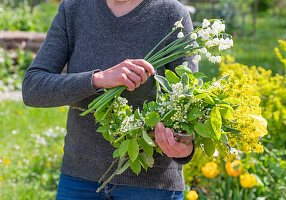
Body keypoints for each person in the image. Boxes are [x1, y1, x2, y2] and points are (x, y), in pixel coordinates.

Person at [22, 0, 198, 199]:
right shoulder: (73, 9)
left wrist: (185, 147)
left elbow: (187, 103)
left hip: (150, 184)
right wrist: (97, 80)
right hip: (79, 179)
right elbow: (33, 88)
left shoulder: (171, 13)